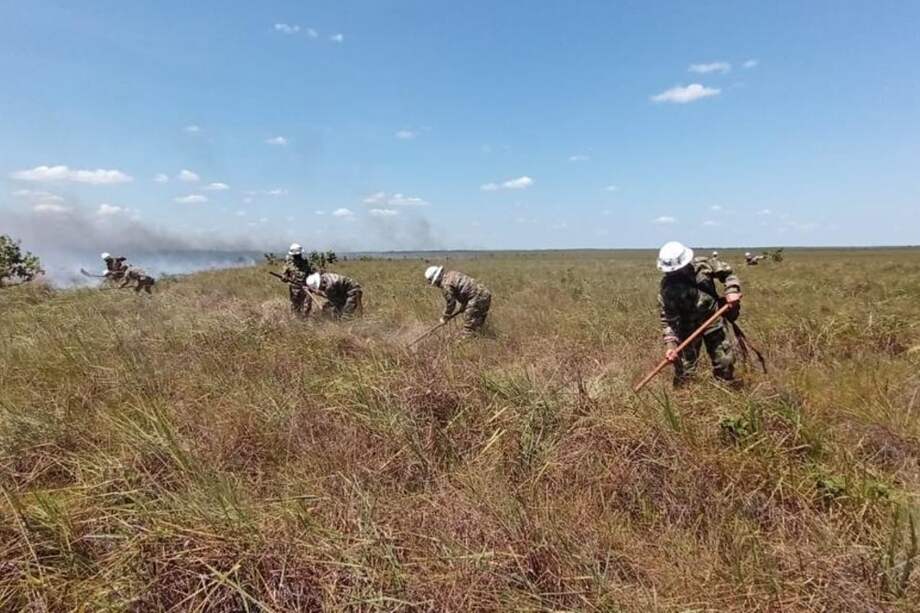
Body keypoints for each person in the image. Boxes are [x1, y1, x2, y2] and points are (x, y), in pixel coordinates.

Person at [657, 241, 741, 386]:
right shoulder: (668, 290)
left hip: (713, 320)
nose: (673, 273)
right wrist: (671, 347)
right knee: (685, 372)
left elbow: (728, 273)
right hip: (687, 329)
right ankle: (684, 399)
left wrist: (732, 290)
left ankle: (725, 391)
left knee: (724, 363)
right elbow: (669, 321)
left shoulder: (704, 266)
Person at [424, 265, 492, 336]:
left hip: (476, 298)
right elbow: (466, 288)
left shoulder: (445, 285)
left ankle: (465, 342)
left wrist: (445, 317)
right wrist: (464, 304)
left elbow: (451, 303)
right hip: (485, 294)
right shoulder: (452, 273)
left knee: (469, 329)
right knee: (478, 325)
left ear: (436, 279)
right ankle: (481, 339)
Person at [281, 243, 314, 317]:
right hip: (294, 289)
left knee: (307, 307)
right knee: (295, 308)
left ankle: (305, 321)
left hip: (306, 288)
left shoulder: (305, 263)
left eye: (299, 254)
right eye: (296, 255)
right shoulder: (288, 264)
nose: (298, 256)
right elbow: (284, 276)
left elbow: (311, 274)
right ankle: (297, 323)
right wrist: (285, 278)